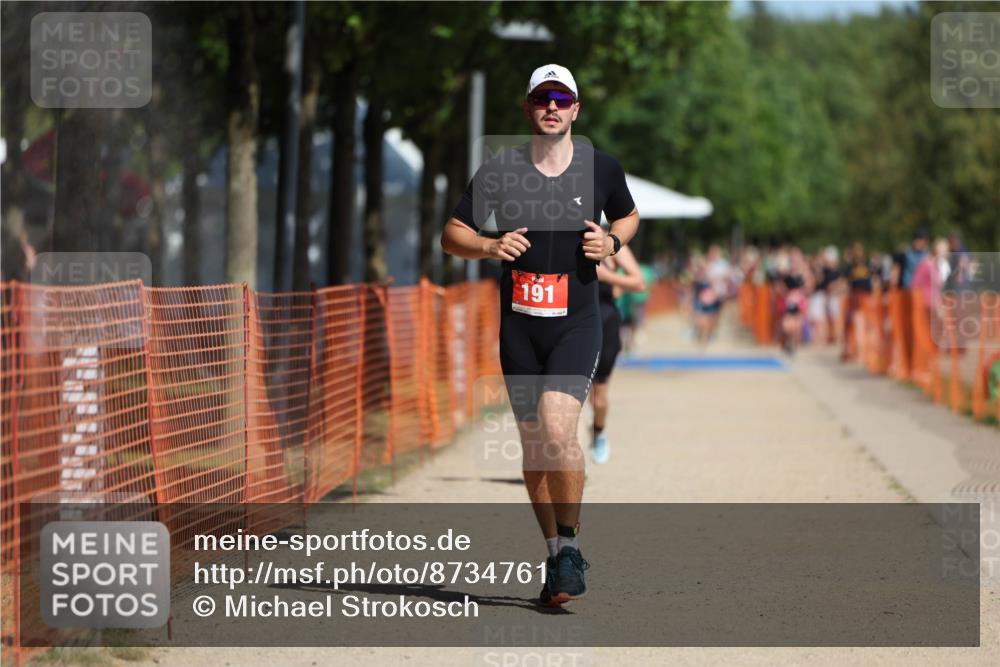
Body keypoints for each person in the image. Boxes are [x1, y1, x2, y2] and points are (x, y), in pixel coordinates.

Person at [440, 64, 639, 607]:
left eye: (562, 98)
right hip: (520, 328)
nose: (552, 107)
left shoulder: (601, 168)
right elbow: (452, 234)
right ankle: (553, 553)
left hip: (577, 323)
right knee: (535, 445)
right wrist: (488, 246)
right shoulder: (500, 172)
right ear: (529, 108)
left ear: (576, 109)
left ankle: (571, 547)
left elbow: (629, 216)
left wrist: (613, 245)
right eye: (542, 98)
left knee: (557, 429)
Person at [591, 244, 645, 464]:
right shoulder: (567, 241)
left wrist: (606, 275)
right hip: (571, 322)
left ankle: (598, 431)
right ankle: (568, 455)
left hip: (605, 323)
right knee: (569, 392)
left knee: (599, 397)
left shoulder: (613, 245)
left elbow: (639, 283)